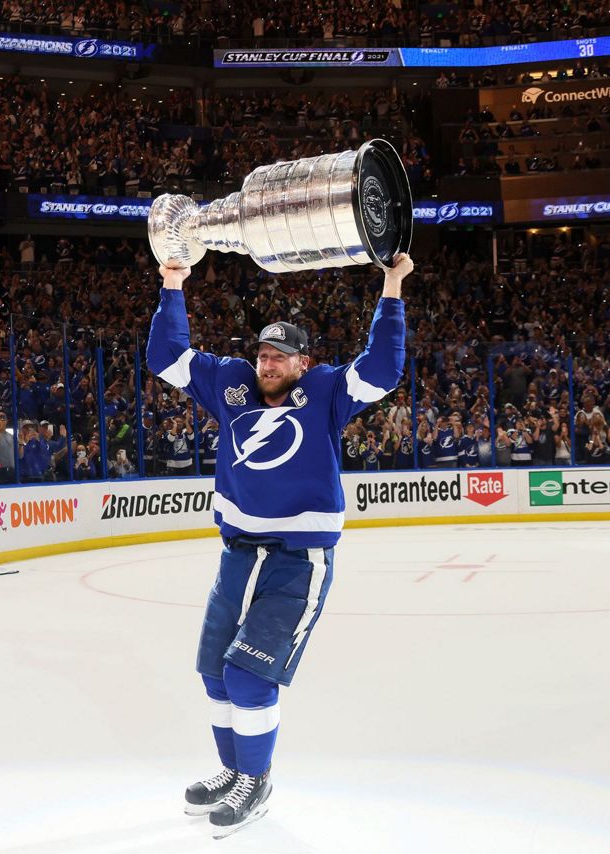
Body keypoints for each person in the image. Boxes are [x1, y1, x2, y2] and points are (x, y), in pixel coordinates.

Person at [147, 252, 412, 837]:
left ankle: (257, 783)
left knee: (249, 677)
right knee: (214, 672)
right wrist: (173, 282)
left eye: (280, 357)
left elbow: (382, 369)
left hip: (297, 559)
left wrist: (392, 285)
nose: (267, 365)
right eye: (262, 354)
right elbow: (165, 356)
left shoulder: (325, 391)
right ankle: (232, 770)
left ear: (303, 362)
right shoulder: (231, 383)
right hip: (239, 552)